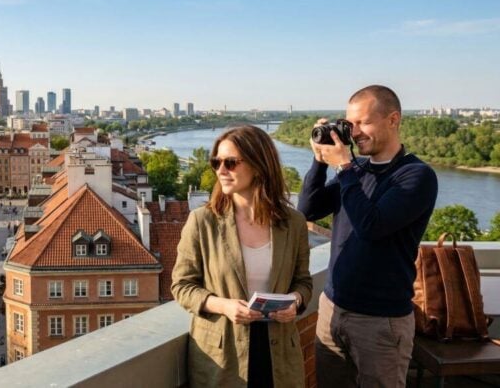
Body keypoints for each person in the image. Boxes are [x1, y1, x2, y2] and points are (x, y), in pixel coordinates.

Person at [298, 85, 438, 388]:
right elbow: (307, 209)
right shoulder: (357, 171)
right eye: (350, 124)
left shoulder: (415, 175)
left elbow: (371, 226)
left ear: (393, 119)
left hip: (380, 322)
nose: (355, 132)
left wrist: (344, 165)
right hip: (332, 309)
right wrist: (320, 162)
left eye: (364, 122)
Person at [172, 125, 312, 387]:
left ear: (259, 165)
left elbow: (303, 282)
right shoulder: (203, 221)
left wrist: (294, 301)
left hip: (278, 349)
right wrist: (223, 305)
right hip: (224, 355)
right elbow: (181, 286)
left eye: (231, 163)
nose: (220, 170)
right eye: (217, 162)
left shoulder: (293, 222)